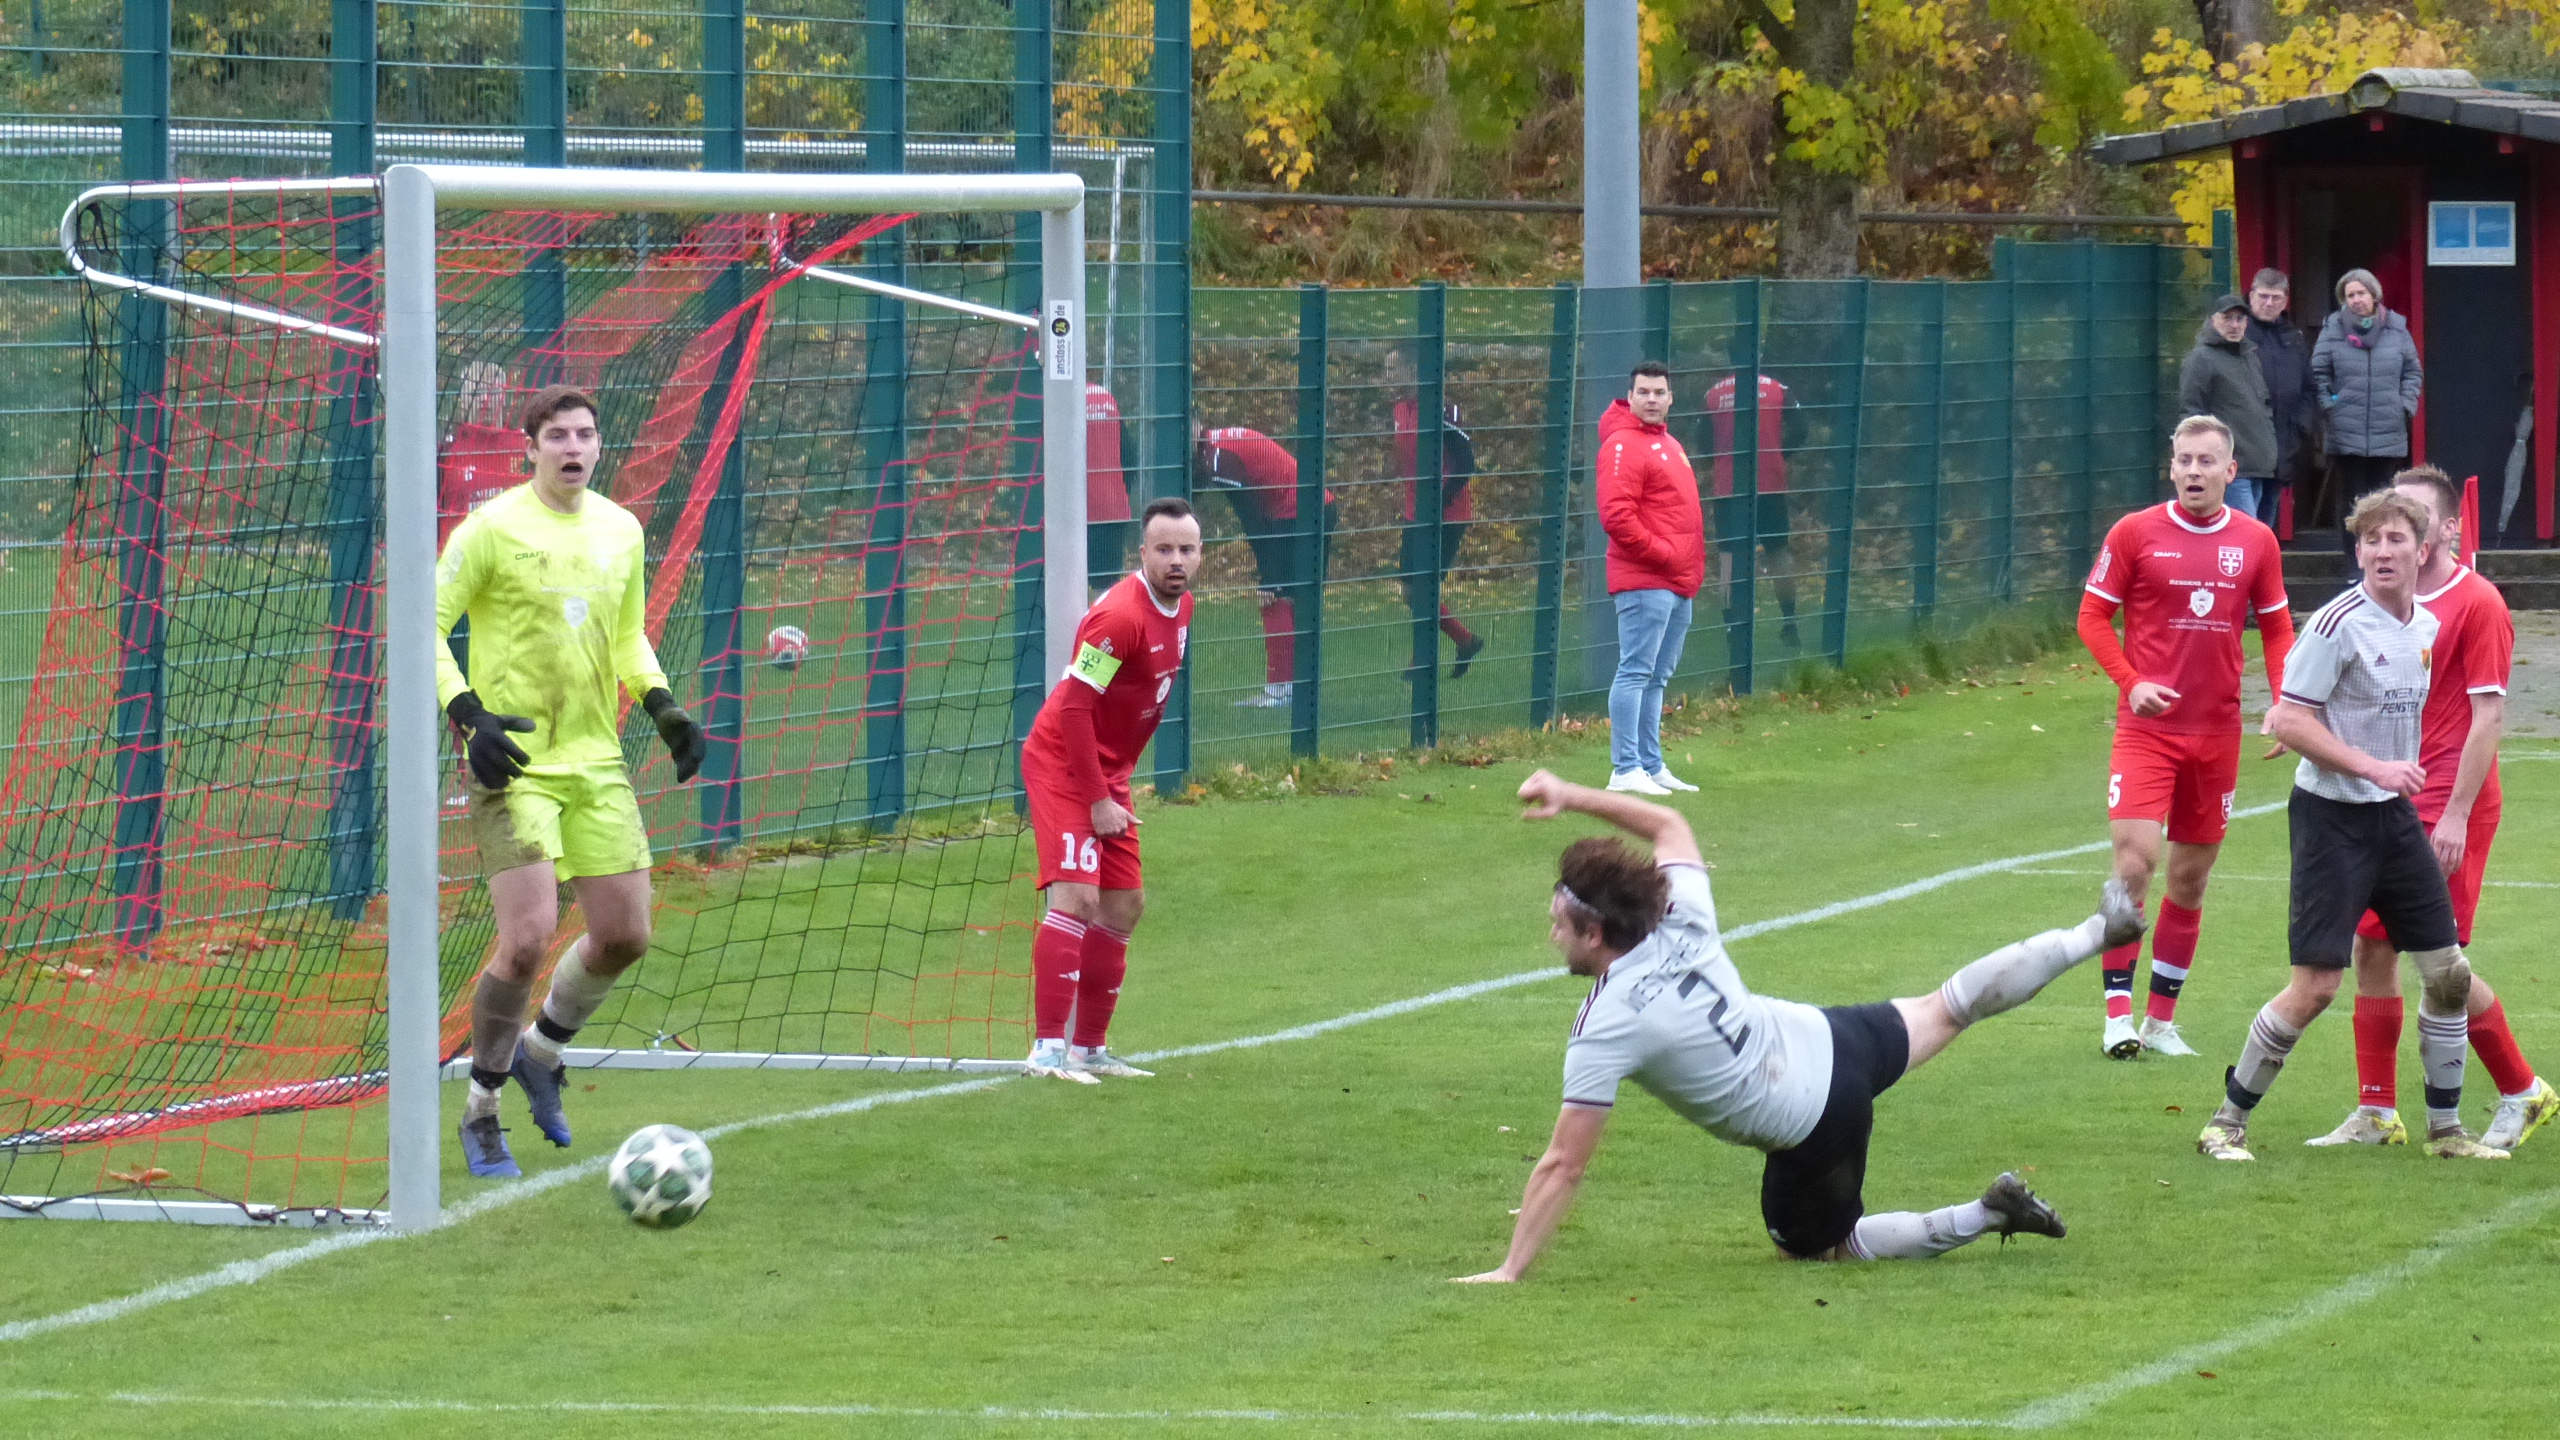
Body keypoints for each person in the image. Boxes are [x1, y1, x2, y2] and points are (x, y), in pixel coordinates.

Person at [1451, 771, 2142, 1280]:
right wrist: (1570, 795)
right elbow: (1667, 826)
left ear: (1597, 932)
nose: (1552, 936)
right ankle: (2093, 932)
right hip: (1830, 1038)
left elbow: (1565, 1163)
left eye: (1560, 925)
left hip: (1812, 1122)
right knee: (1947, 1006)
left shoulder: (1606, 1023)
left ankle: (1988, 1213)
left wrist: (1510, 1269)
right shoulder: (1677, 915)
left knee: (1823, 1250)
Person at [435, 385, 709, 1178]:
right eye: (557, 435)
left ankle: (542, 1051)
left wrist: (662, 705)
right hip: (514, 762)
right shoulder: (491, 529)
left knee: (626, 936)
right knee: (525, 939)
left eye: (585, 434)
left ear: (598, 445)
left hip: (595, 762)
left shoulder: (621, 530)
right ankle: (482, 1108)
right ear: (530, 448)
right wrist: (468, 715)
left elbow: (627, 636)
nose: (573, 447)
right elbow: (423, 623)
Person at [2197, 488, 2507, 1162]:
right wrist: (2373, 766)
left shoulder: (2425, 626)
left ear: (2423, 550)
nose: (2383, 552)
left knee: (2447, 973)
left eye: (2396, 539)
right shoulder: (2336, 623)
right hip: (2331, 820)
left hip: (2392, 819)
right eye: (2371, 541)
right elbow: (2288, 719)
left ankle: (2447, 1133)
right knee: (2316, 987)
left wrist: (2392, 778)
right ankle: (2225, 1123)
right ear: (2358, 551)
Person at [2309, 467, 2560, 1151]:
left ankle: (2522, 1088)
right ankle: (2376, 1112)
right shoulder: (2385, 602)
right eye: (2389, 517)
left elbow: (2489, 717)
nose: (2399, 530)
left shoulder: (2477, 602)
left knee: (2436, 958)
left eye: (2414, 517)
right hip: (2394, 799)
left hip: (2449, 802)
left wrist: (2455, 814)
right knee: (2373, 944)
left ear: (2447, 528)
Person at [2079, 415, 2291, 1060]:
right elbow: (2092, 617)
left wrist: (2286, 701)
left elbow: (2277, 628)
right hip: (2147, 731)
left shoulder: (2256, 540)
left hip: (2217, 733)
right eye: (2184, 460)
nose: (2194, 471)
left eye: (2206, 461)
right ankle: (2117, 1017)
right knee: (2135, 864)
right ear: (2170, 467)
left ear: (2231, 470)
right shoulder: (2135, 532)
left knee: (2191, 880)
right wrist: (2131, 681)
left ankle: (2161, 1021)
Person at [1016, 498, 1201, 1082]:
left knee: (1124, 904)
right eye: (1164, 549)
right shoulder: (1120, 619)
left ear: (1201, 555)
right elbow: (1073, 710)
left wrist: (1112, 783)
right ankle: (1047, 1052)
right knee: (1077, 897)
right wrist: (1098, 799)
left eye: (1186, 549)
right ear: (1142, 553)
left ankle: (1088, 1049)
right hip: (1065, 765)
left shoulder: (1183, 605)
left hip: (1107, 773)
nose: (1176, 560)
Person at [1596, 362, 1706, 797]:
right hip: (1646, 579)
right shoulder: (1622, 445)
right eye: (1643, 392)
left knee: (1657, 676)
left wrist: (1683, 564)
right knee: (1636, 672)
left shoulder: (1669, 444)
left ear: (1671, 397)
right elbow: (1616, 517)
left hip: (1677, 580)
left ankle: (1650, 764)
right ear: (1630, 397)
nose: (1652, 399)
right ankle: (1625, 769)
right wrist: (1663, 554)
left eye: (1659, 392)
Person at [1196, 425, 1332, 708]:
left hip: (1297, 513)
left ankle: (1280, 691)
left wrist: (1268, 577)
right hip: (1313, 507)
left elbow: (1252, 519)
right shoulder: (1217, 441)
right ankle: (1296, 688)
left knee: (1273, 598)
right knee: (1295, 600)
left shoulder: (1221, 459)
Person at [2311, 268, 2422, 560]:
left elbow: (2412, 371)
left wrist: (2405, 405)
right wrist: (2329, 405)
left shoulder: (2397, 329)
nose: (2356, 300)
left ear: (2374, 295)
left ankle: (2381, 561)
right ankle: (2354, 564)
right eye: (2350, 295)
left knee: (2383, 501)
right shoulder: (2332, 329)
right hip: (2345, 430)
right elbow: (2318, 373)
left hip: (2388, 429)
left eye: (2361, 293)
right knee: (2352, 503)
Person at [1390, 364, 1485, 680]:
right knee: (1410, 590)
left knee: (1423, 589)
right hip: (1415, 515)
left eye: (1393, 368)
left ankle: (1421, 661)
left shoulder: (1442, 410)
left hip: (1446, 516)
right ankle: (1465, 640)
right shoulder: (1399, 409)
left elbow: (1465, 464)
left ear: (1413, 370)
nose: (1389, 374)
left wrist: (1439, 502)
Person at [1703, 370, 1802, 648]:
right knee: (1778, 551)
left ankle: (1732, 629)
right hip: (1770, 483)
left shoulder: (1714, 394)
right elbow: (1801, 429)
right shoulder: (1778, 388)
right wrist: (1779, 454)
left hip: (1729, 487)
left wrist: (1721, 460)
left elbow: (1703, 441)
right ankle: (1790, 622)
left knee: (1728, 558)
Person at [2178, 296, 2277, 524]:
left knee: (2259, 535)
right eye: (2227, 318)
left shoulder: (2250, 356)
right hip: (2231, 469)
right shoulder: (2201, 359)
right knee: (2244, 535)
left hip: (2261, 466)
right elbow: (2192, 413)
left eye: (2239, 319)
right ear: (2213, 320)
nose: (2234, 325)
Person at [2244, 269, 2316, 529]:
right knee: (2245, 524)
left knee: (2266, 524)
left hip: (2283, 441)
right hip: (2245, 444)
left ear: (2285, 300)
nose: (2268, 303)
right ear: (2251, 295)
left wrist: (2301, 426)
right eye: (2263, 296)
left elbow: (2309, 388)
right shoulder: (2238, 333)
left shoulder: (2294, 338)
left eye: (2275, 297)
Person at [1085, 381, 1138, 596]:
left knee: (1065, 586)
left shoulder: (1058, 398)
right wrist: (1120, 492)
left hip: (1073, 512)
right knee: (1105, 587)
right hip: (1112, 509)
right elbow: (1129, 456)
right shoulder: (1106, 397)